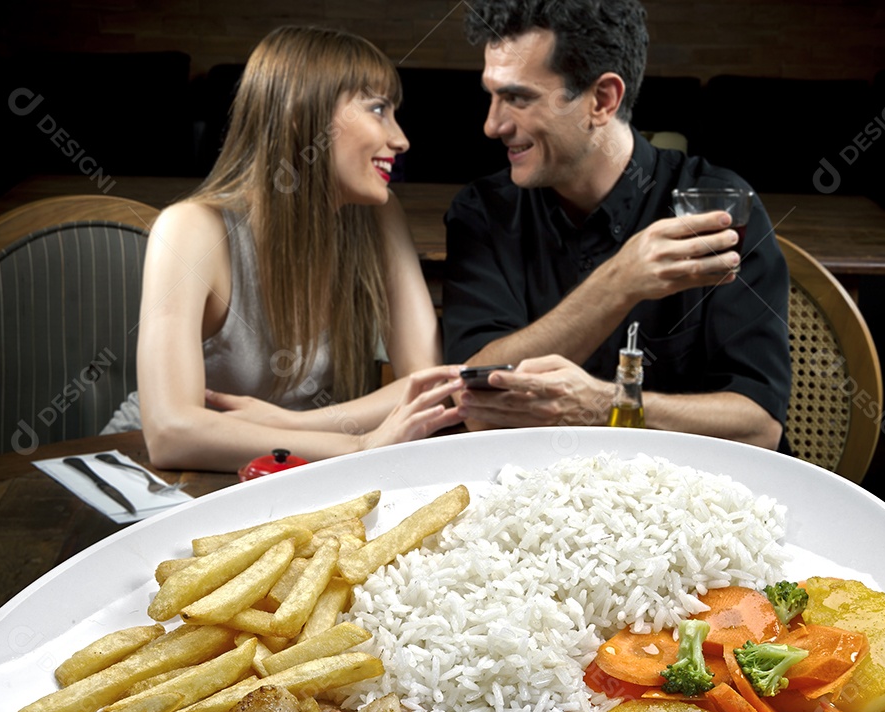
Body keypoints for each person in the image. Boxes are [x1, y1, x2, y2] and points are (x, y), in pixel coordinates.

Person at [106, 25, 463, 471]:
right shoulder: (191, 228)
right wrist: (358, 447)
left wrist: (293, 425)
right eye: (377, 110)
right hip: (155, 474)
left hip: (284, 473)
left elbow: (423, 387)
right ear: (301, 117)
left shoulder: (378, 215)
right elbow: (171, 434)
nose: (401, 139)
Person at [443, 0, 791, 450]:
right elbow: (475, 401)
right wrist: (619, 281)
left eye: (518, 97)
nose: (492, 125)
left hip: (697, 499)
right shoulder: (482, 212)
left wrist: (606, 405)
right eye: (491, 95)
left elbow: (758, 426)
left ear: (602, 100)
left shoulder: (718, 205)